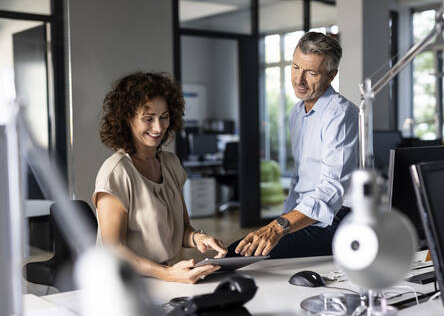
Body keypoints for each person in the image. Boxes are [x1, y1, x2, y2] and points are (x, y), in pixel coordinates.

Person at [230, 32, 358, 259]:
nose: (299, 80)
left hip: (337, 217)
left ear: (330, 76)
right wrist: (285, 218)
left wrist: (279, 227)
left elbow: (332, 188)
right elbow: (300, 177)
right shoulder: (297, 113)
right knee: (239, 253)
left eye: (311, 72)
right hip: (305, 215)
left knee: (243, 254)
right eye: (296, 67)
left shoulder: (341, 113)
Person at [93, 72, 227, 283]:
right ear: (127, 119)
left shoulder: (171, 164)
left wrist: (199, 238)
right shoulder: (116, 173)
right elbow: (114, 250)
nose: (158, 127)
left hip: (160, 277)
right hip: (120, 283)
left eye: (164, 117)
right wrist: (167, 274)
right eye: (148, 119)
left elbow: (182, 230)